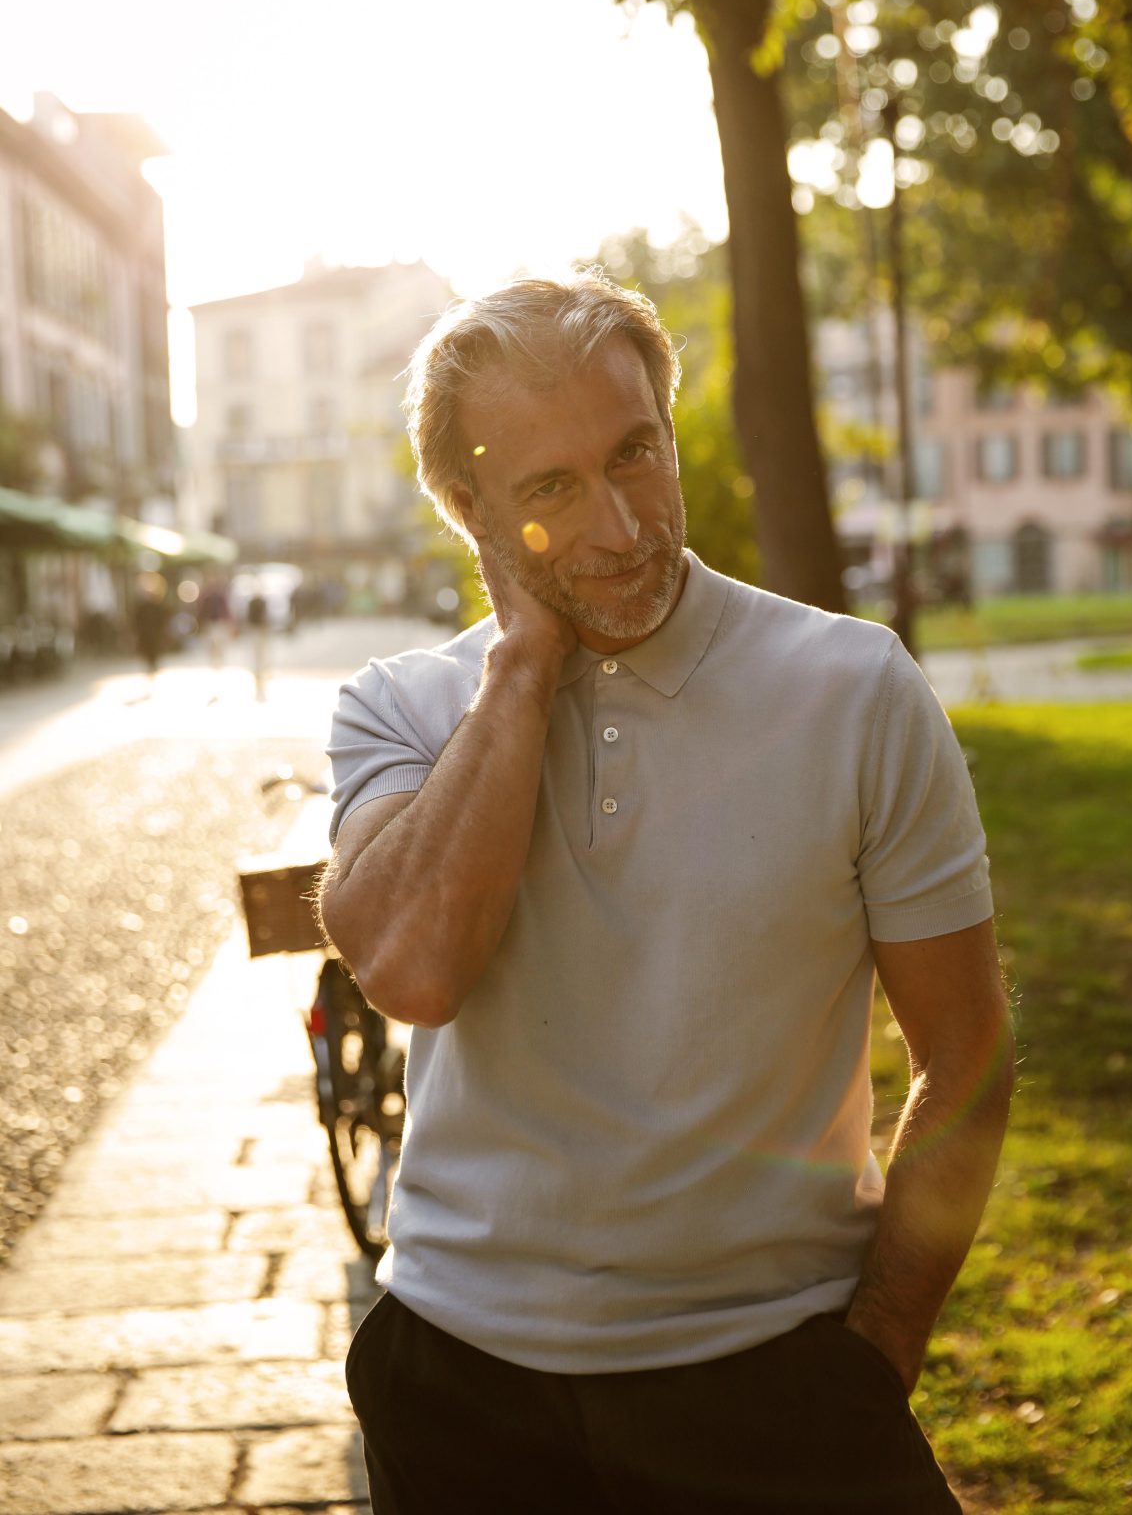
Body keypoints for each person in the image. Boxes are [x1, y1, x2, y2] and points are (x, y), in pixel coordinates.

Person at [320, 274, 1014, 1515]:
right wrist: (528, 662)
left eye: (635, 453)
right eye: (550, 489)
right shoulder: (402, 708)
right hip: (464, 1388)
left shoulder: (856, 689)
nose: (625, 523)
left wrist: (876, 1358)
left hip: (782, 1382)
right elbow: (414, 968)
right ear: (469, 513)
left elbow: (964, 1058)